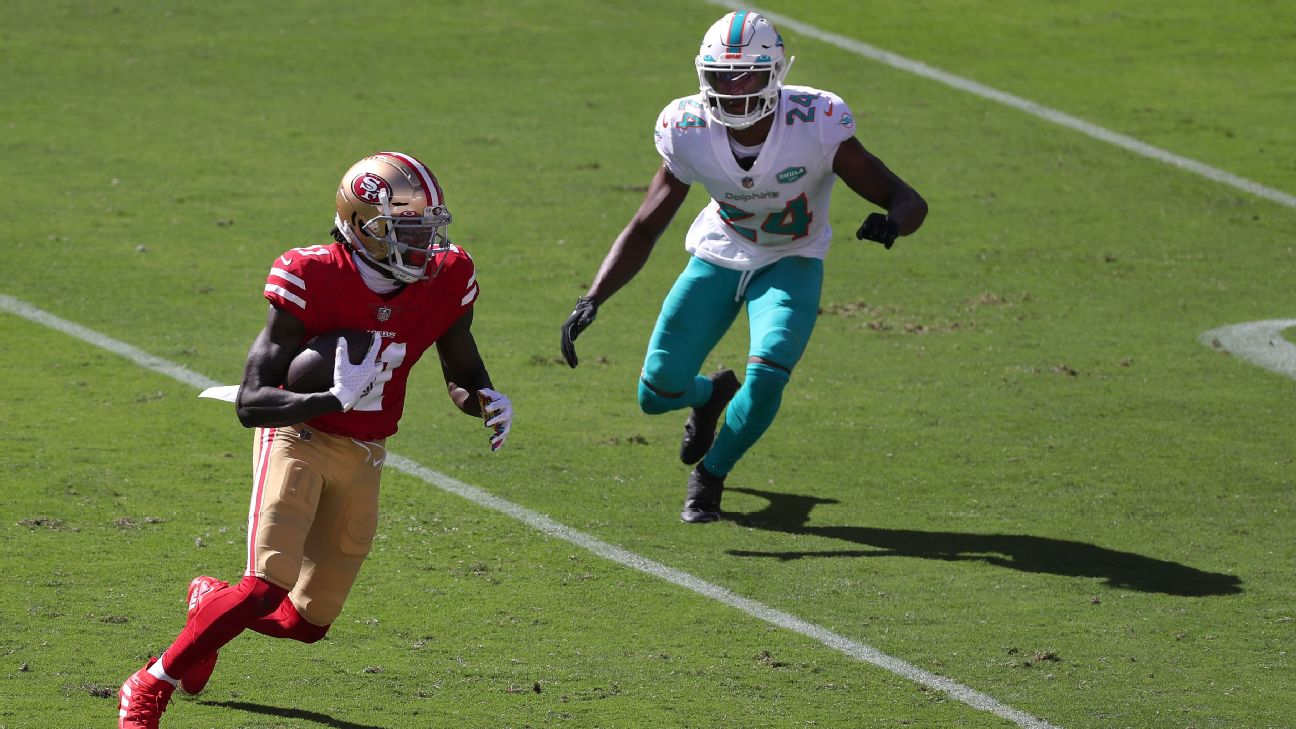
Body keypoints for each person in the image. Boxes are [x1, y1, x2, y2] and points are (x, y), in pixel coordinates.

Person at [117, 151, 514, 728]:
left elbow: (461, 366)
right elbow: (252, 403)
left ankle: (208, 610)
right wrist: (331, 399)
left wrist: (483, 399)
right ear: (357, 225)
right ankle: (151, 683)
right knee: (261, 589)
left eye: (426, 227)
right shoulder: (312, 274)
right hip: (298, 433)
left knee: (308, 622)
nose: (422, 244)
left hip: (366, 451)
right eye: (402, 229)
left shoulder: (446, 275)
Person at [560, 10, 927, 524]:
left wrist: (893, 223)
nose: (733, 87)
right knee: (656, 392)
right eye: (720, 74)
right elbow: (645, 226)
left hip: (792, 258)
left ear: (776, 71)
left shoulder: (816, 121)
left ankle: (710, 476)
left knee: (770, 372)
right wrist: (593, 296)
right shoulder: (685, 127)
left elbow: (906, 198)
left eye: (747, 73)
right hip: (720, 251)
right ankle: (709, 396)